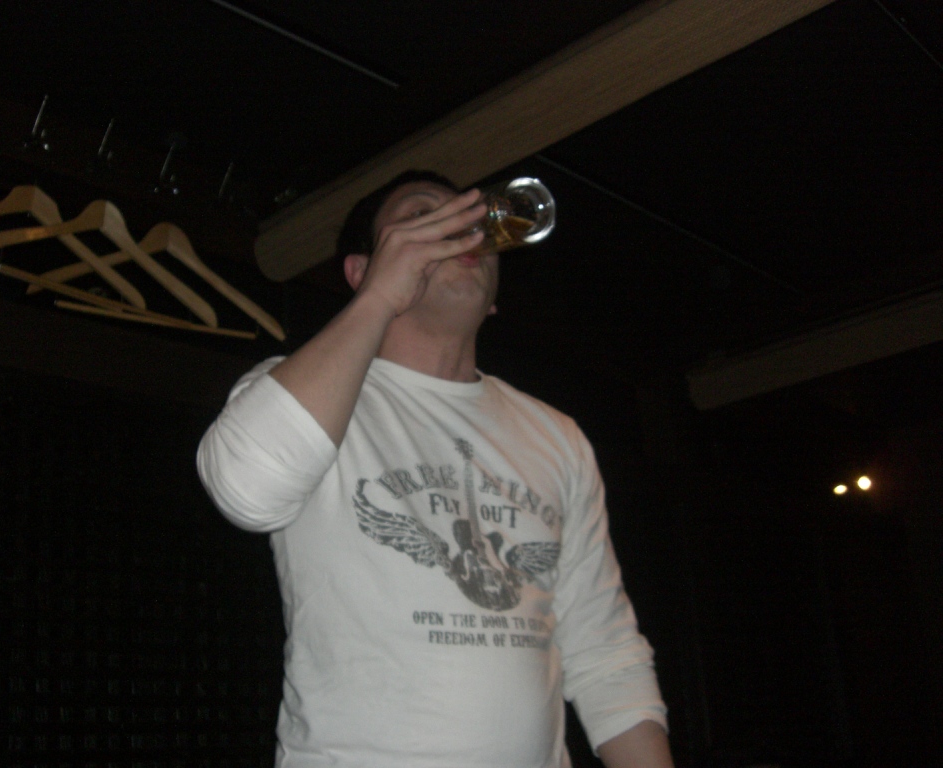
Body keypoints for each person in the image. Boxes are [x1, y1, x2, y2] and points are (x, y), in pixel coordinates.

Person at [197, 170, 673, 768]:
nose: (463, 232)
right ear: (362, 270)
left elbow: (605, 652)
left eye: (474, 222)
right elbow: (246, 492)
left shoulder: (558, 436)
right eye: (424, 216)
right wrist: (378, 300)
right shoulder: (303, 393)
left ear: (493, 298)